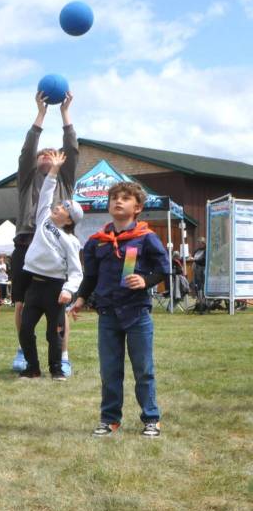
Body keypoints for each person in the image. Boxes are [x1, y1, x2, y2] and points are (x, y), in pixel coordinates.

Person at [70, 182, 170, 437]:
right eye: (114, 197)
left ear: (137, 207)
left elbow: (164, 269)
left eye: (125, 198)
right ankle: (110, 419)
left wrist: (145, 280)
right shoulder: (96, 243)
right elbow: (90, 276)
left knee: (143, 369)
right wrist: (81, 298)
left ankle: (151, 418)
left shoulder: (146, 237)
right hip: (108, 315)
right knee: (109, 370)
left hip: (137, 314)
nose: (118, 201)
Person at [11, 92, 78, 374]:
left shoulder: (64, 179)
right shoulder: (26, 180)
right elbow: (27, 150)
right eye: (42, 154)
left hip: (56, 249)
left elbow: (72, 149)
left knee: (59, 305)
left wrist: (65, 114)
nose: (44, 156)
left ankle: (62, 355)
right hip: (26, 243)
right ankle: (24, 353)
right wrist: (40, 114)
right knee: (21, 304)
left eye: (51, 154)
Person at [16, 151, 83, 380]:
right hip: (34, 285)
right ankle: (32, 368)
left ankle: (56, 369)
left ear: (70, 219)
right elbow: (46, 192)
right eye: (60, 204)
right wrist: (54, 169)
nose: (58, 206)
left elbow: (76, 272)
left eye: (64, 207)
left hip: (55, 289)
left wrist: (68, 290)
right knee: (25, 329)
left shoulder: (71, 241)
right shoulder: (44, 217)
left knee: (54, 333)